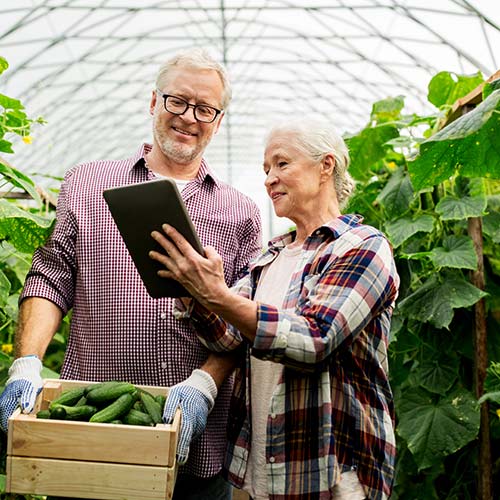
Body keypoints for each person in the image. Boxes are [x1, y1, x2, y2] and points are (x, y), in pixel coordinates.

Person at [0, 48, 262, 500]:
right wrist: (27, 363)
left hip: (196, 445)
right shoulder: (86, 183)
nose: (188, 117)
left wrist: (204, 383)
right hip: (92, 429)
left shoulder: (240, 211)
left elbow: (245, 320)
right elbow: (49, 278)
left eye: (205, 109)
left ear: (218, 121)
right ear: (153, 102)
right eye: (177, 101)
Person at [149, 119, 400, 499]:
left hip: (330, 474)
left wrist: (217, 294)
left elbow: (314, 340)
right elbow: (227, 336)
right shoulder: (270, 256)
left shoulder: (361, 247)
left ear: (326, 166)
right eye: (266, 169)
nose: (269, 179)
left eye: (282, 164)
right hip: (260, 470)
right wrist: (190, 289)